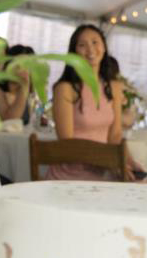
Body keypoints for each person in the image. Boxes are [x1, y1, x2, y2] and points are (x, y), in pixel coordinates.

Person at [46, 24, 132, 181]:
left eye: (95, 42)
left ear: (104, 47)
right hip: (72, 174)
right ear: (74, 53)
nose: (90, 50)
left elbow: (116, 135)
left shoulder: (114, 87)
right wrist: (109, 161)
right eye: (82, 45)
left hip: (104, 169)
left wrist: (125, 162)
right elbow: (67, 143)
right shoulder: (65, 88)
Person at [0, 43, 34, 123]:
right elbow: (10, 120)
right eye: (17, 64)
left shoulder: (28, 93)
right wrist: (24, 85)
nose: (22, 69)